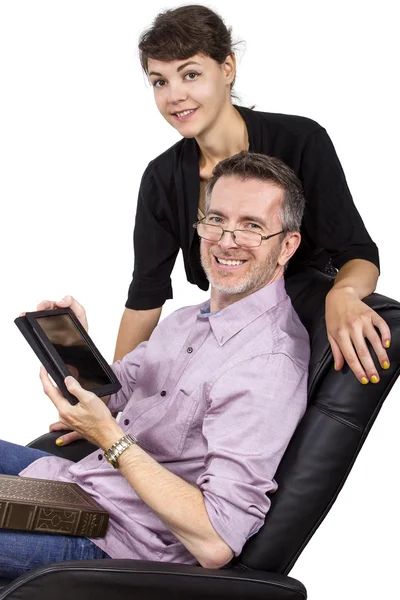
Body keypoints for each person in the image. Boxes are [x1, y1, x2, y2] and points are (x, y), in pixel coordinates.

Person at [0, 152, 309, 579]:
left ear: (286, 246)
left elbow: (217, 540)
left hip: (118, 542)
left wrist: (107, 436)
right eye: (216, 219)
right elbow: (118, 392)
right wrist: (75, 349)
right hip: (79, 487)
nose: (226, 239)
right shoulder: (188, 320)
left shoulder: (267, 364)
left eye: (252, 226)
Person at [114, 4, 391, 386]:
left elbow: (358, 253)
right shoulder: (162, 177)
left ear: (227, 67)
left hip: (293, 342)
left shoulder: (301, 141)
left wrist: (341, 293)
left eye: (190, 74)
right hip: (227, 339)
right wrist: (109, 395)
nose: (174, 96)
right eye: (160, 81)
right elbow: (145, 297)